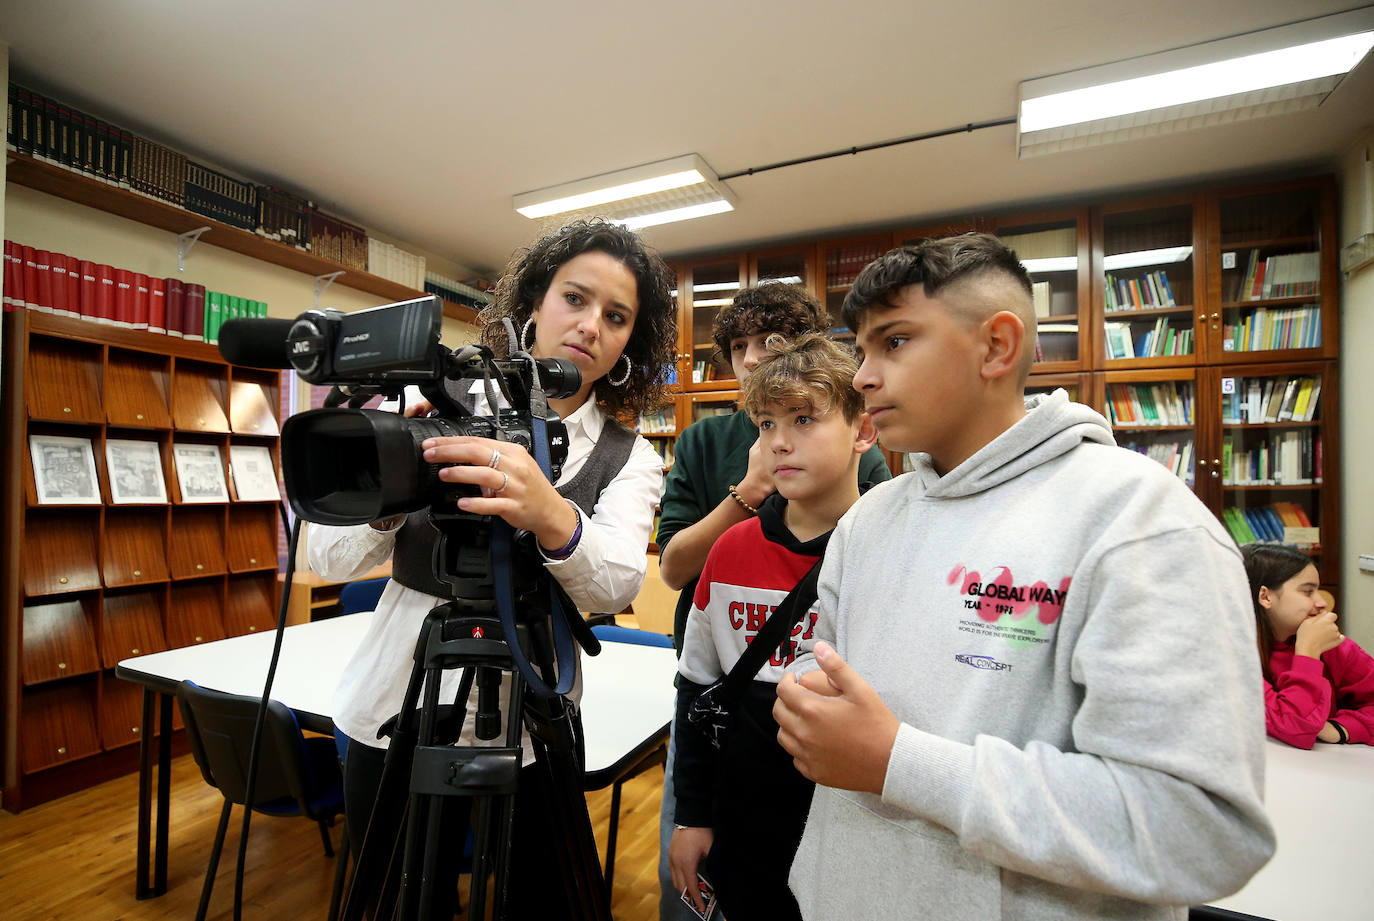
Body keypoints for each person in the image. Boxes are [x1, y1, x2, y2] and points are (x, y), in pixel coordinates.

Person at [772, 233, 1275, 921]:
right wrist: (808, 696)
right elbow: (826, 662)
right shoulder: (871, 516)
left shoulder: (1138, 519)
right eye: (862, 350)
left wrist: (898, 762)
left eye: (894, 341)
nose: (862, 376)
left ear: (997, 347)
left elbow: (1198, 828)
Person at [307, 218, 677, 914]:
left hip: (533, 722)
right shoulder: (433, 404)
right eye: (575, 298)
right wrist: (393, 481)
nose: (590, 325)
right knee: (398, 900)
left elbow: (618, 583)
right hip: (395, 704)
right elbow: (323, 556)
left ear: (631, 340)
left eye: (616, 316)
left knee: (539, 902)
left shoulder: (629, 456)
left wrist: (549, 512)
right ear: (535, 302)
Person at [653, 283, 891, 919]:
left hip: (851, 815)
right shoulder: (730, 549)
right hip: (743, 809)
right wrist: (694, 813)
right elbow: (697, 688)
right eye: (766, 425)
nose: (778, 442)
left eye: (803, 420)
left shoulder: (885, 548)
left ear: (863, 430)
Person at [1242, 543, 1374, 748]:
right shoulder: (1235, 654)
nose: (1321, 602)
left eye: (1317, 590)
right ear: (1265, 597)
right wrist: (1308, 652)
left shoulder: (1331, 645)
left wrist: (1342, 728)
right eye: (1308, 591)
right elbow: (1295, 727)